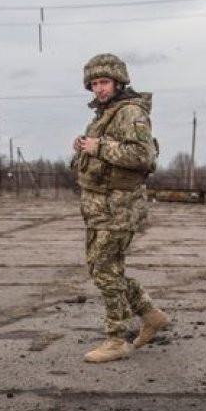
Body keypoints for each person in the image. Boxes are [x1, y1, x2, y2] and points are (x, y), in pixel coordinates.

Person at [71, 53, 170, 363]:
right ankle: (150, 315)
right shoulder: (106, 114)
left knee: (103, 270)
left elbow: (144, 157)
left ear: (118, 82)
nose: (98, 89)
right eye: (94, 84)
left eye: (104, 82)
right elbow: (105, 156)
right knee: (105, 269)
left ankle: (116, 339)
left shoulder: (130, 111)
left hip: (119, 207)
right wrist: (84, 148)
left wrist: (98, 146)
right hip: (101, 207)